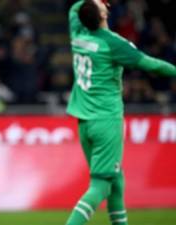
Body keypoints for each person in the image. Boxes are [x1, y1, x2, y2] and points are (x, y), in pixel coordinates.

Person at [65, 1, 176, 225]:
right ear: (103, 13)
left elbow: (74, 9)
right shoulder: (114, 43)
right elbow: (151, 65)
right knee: (100, 185)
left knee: (115, 179)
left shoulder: (77, 31)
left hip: (84, 121)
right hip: (107, 121)